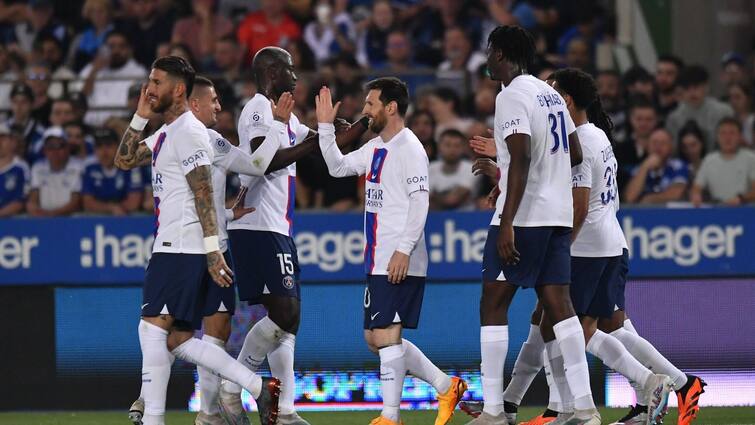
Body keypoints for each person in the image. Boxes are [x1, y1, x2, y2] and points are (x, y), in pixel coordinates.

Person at [113, 56, 281, 425]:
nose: (149, 88)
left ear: (177, 89)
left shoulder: (189, 132)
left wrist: (211, 251)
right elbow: (124, 160)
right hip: (180, 245)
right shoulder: (168, 131)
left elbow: (202, 189)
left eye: (156, 82)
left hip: (182, 245)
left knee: (152, 331)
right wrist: (140, 115)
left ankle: (155, 416)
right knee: (177, 339)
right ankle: (255, 385)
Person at [221, 47, 367, 425]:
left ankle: (284, 411)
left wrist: (363, 123)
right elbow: (263, 160)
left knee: (285, 319)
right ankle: (234, 385)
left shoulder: (288, 118)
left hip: (277, 227)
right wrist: (317, 138)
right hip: (256, 225)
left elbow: (325, 150)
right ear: (271, 72)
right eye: (289, 68)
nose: (296, 75)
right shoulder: (257, 107)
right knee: (287, 314)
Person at [315, 78, 467, 425]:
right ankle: (446, 386)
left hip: (399, 255)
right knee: (374, 339)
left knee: (386, 335)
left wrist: (403, 250)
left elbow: (420, 202)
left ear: (391, 107)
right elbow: (337, 167)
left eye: (370, 104)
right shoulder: (375, 148)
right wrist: (325, 127)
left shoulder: (410, 147)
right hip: (379, 256)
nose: (365, 111)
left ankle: (390, 417)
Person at [470, 25, 599, 425]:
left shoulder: (511, 95)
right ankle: (586, 408)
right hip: (558, 215)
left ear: (504, 55)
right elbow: (574, 153)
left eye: (490, 52)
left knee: (493, 302)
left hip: (525, 217)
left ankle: (493, 411)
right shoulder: (550, 94)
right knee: (561, 308)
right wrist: (506, 174)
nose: (487, 59)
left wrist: (507, 220)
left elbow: (522, 156)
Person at [78, 30, 148, 126]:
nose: (116, 51)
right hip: (90, 123)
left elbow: (134, 106)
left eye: (121, 46)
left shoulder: (138, 72)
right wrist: (94, 71)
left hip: (122, 121)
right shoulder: (92, 69)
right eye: (111, 47)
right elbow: (82, 95)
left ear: (129, 49)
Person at [665, 65, 734, 151]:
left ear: (706, 87)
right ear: (681, 90)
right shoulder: (674, 117)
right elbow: (674, 148)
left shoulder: (724, 111)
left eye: (696, 87)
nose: (692, 93)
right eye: (687, 89)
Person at [690, 117, 755, 207]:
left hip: (745, 210)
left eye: (732, 133)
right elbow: (697, 187)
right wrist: (696, 195)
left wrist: (741, 198)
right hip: (718, 209)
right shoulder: (709, 160)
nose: (727, 138)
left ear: (740, 136)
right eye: (723, 133)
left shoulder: (751, 158)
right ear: (717, 137)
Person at [81, 128, 142, 215]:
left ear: (118, 147)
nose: (104, 152)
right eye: (99, 146)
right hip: (99, 218)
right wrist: (111, 208)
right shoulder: (90, 169)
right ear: (94, 149)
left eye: (108, 145)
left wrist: (114, 209)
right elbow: (88, 203)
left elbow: (133, 203)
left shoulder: (131, 167)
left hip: (127, 218)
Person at [623, 128, 689, 205]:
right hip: (644, 215)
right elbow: (630, 198)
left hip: (671, 214)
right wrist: (645, 168)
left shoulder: (679, 166)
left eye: (663, 143)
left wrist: (649, 199)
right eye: (654, 142)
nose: (658, 146)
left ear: (671, 147)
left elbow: (676, 194)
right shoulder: (639, 169)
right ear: (648, 146)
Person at [26, 127, 81, 217]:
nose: (55, 151)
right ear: (44, 150)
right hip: (43, 218)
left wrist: (51, 215)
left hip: (70, 218)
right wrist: (35, 211)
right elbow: (33, 199)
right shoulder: (38, 167)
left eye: (60, 146)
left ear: (67, 148)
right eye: (50, 147)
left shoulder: (78, 167)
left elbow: (75, 202)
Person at [429, 129, 478, 210]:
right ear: (439, 147)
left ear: (463, 148)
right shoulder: (430, 168)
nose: (452, 150)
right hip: (435, 217)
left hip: (466, 217)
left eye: (457, 146)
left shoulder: (472, 168)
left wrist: (435, 196)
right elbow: (425, 200)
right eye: (447, 145)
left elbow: (453, 200)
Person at [0, 124, 29, 217]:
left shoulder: (20, 168)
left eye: (3, 138)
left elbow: (20, 201)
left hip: (12, 222)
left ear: (13, 142)